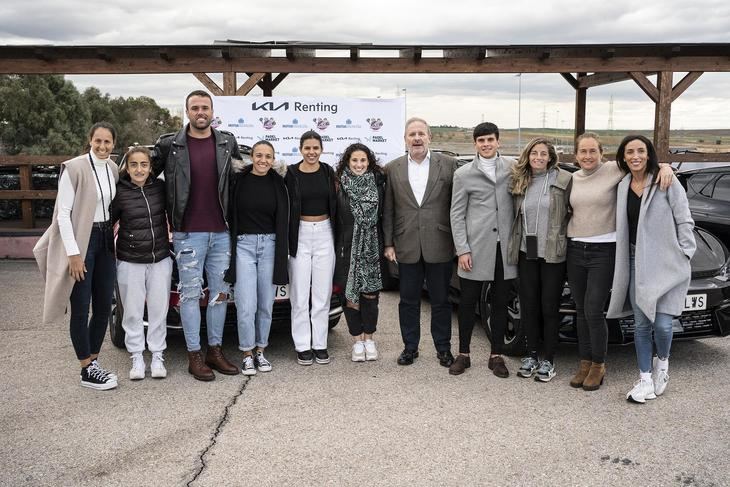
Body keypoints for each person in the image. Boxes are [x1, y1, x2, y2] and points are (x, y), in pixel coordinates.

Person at [567, 132, 673, 391]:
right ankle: (584, 362)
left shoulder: (614, 170)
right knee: (580, 309)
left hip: (604, 250)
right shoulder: (572, 178)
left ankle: (599, 365)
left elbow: (643, 162)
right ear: (576, 154)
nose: (588, 156)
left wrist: (666, 166)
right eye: (583, 151)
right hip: (575, 249)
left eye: (593, 151)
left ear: (602, 153)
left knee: (593, 308)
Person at [152, 90, 242, 381]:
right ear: (187, 112)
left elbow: (243, 178)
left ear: (212, 111)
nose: (200, 112)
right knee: (190, 296)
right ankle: (195, 356)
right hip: (188, 234)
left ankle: (215, 352)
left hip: (221, 233)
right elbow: (142, 178)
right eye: (194, 108)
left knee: (219, 295)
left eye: (205, 107)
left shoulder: (227, 142)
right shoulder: (169, 145)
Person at [607, 135, 695, 403]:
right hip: (634, 262)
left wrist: (686, 252)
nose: (635, 156)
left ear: (649, 154)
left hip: (666, 262)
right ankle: (645, 378)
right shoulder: (622, 185)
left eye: (641, 151)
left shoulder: (665, 180)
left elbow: (684, 219)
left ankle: (663, 365)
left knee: (664, 324)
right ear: (623, 156)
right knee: (641, 324)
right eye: (630, 151)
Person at [34, 122, 119, 390]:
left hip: (106, 239)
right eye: (98, 141)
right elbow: (63, 214)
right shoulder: (75, 168)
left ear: (114, 144)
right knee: (81, 308)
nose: (102, 146)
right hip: (83, 241)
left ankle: (93, 362)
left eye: (107, 142)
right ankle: (85, 367)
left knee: (104, 305)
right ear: (90, 141)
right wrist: (74, 254)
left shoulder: (114, 169)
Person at [383, 117, 460, 367]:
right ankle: (410, 348)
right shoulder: (392, 168)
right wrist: (388, 243)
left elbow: (457, 206)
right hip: (406, 245)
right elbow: (389, 209)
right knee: (408, 301)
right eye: (411, 134)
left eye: (421, 134)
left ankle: (443, 348)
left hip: (440, 242)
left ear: (429, 137)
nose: (416, 138)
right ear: (405, 139)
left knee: (440, 300)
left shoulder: (448, 165)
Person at [449, 122, 517, 377]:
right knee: (466, 303)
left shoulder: (512, 167)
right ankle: (463, 354)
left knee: (500, 303)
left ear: (498, 141)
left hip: (504, 248)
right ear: (475, 144)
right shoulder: (464, 174)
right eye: (481, 141)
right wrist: (462, 249)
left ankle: (496, 355)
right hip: (475, 248)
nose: (486, 144)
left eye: (490, 139)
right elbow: (456, 214)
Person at [508, 138, 572, 382]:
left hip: (553, 254)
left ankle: (549, 360)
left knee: (549, 307)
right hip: (527, 253)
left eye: (543, 153)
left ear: (550, 157)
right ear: (528, 155)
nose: (538, 157)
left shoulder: (564, 180)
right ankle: (531, 355)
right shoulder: (520, 181)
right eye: (534, 153)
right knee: (529, 306)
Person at [225, 141, 289, 375]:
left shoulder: (279, 183)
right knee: (245, 304)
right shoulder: (238, 181)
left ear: (273, 159)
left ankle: (261, 351)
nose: (263, 160)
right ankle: (247, 353)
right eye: (259, 155)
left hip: (270, 245)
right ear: (251, 157)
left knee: (265, 304)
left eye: (268, 156)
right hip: (243, 246)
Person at [112, 146, 172, 380]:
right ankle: (136, 356)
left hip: (160, 259)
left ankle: (157, 355)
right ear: (127, 167)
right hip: (130, 260)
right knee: (133, 312)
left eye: (144, 165)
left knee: (159, 310)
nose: (139, 169)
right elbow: (109, 223)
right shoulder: (119, 191)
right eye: (134, 164)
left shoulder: (160, 188)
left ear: (150, 167)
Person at [285, 130, 337, 366]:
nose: (312, 152)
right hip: (300, 235)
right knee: (299, 295)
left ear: (321, 149)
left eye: (316, 148)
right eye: (307, 148)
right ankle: (303, 345)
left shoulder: (328, 171)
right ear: (300, 149)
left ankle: (320, 344)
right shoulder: (291, 173)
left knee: (322, 294)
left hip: (325, 233)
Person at [334, 143, 386, 362]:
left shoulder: (378, 182)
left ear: (369, 161)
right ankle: (357, 341)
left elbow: (386, 214)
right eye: (354, 160)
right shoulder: (338, 184)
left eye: (363, 160)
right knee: (351, 297)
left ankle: (369, 339)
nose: (359, 165)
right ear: (347, 162)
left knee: (370, 295)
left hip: (372, 248)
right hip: (347, 248)